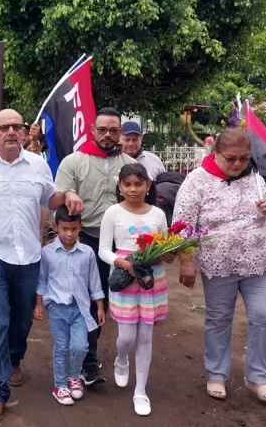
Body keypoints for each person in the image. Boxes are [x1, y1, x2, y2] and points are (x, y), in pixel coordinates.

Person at [0, 109, 77, 422]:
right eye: (3, 127)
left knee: (22, 319)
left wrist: (69, 194)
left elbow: (50, 199)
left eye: (16, 127)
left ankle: (15, 358)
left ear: (24, 132)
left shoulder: (37, 164)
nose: (10, 132)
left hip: (29, 257)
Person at [173, 129, 266, 403]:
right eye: (230, 158)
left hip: (260, 261)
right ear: (215, 153)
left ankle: (257, 378)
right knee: (219, 320)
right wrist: (186, 261)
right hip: (218, 265)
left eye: (243, 158)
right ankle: (217, 374)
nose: (238, 164)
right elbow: (182, 224)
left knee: (265, 318)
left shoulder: (260, 175)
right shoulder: (197, 181)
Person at [56, 107, 136, 386]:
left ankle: (102, 355)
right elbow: (57, 198)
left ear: (120, 133)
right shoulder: (73, 161)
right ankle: (87, 362)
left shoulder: (128, 165)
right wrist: (69, 193)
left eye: (114, 130)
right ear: (92, 130)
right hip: (85, 239)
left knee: (115, 302)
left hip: (120, 245)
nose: (107, 135)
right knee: (88, 300)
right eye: (102, 129)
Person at [99, 163, 173, 416]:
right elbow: (104, 250)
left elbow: (164, 245)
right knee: (127, 337)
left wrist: (167, 254)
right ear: (119, 187)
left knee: (145, 337)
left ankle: (140, 391)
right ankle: (121, 359)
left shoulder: (158, 214)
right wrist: (124, 263)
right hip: (124, 277)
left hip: (151, 279)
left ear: (148, 186)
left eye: (138, 184)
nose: (133, 189)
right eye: (127, 184)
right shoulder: (112, 213)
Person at [34, 206, 105, 406]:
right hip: (56, 307)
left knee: (81, 345)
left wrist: (99, 306)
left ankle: (74, 375)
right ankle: (59, 385)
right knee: (62, 347)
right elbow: (42, 279)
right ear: (56, 226)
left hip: (81, 308)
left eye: (74, 229)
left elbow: (94, 281)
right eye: (65, 229)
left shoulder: (87, 252)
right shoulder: (47, 252)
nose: (69, 234)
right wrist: (39, 303)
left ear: (80, 228)